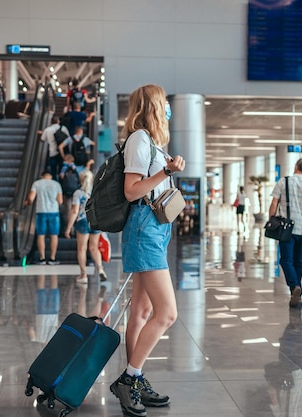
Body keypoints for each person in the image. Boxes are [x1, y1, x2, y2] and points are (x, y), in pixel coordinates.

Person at [109, 84, 185, 417]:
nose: (168, 107)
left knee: (140, 313)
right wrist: (165, 172)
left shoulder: (150, 141)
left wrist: (165, 169)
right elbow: (130, 191)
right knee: (167, 313)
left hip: (154, 227)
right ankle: (129, 377)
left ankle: (135, 379)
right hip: (144, 228)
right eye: (164, 103)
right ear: (152, 105)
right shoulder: (140, 139)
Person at [268, 158, 302, 308]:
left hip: (286, 228)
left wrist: (271, 220)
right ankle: (296, 291)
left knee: (286, 260)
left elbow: (274, 203)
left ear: (295, 166)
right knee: (298, 261)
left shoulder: (283, 182)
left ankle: (294, 286)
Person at [265, 308, 302, 417]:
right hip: (286, 374)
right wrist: (270, 381)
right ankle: (294, 311)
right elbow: (273, 398)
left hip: (301, 369)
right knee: (287, 340)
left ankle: (296, 310)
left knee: (298, 338)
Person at [64, 170, 107, 284]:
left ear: (80, 179)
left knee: (82, 249)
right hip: (96, 221)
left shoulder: (78, 193)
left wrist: (68, 228)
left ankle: (83, 275)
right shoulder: (97, 191)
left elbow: (74, 211)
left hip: (83, 221)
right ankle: (100, 268)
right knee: (94, 247)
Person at [24, 171, 63, 265]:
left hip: (41, 212)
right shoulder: (56, 184)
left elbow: (31, 198)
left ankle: (42, 258)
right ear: (51, 176)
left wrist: (26, 203)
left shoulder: (37, 183)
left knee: (41, 235)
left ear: (42, 176)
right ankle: (52, 258)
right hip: (54, 212)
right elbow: (60, 201)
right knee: (54, 235)